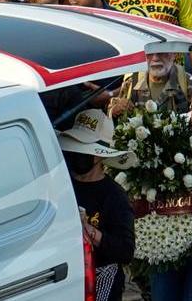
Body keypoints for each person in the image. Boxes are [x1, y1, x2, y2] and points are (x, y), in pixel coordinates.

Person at [56, 109, 135, 301]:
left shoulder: (114, 196)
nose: (77, 155)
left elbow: (125, 251)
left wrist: (88, 229)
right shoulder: (61, 184)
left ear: (100, 156)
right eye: (74, 148)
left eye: (83, 150)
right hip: (65, 276)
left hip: (101, 279)